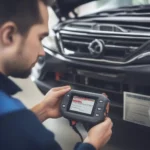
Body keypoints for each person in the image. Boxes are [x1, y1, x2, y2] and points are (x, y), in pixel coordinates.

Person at [0, 0, 113, 150]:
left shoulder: (13, 123)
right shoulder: (30, 135)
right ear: (9, 36)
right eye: (40, 38)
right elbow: (16, 130)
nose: (42, 52)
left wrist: (43, 110)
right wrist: (91, 144)